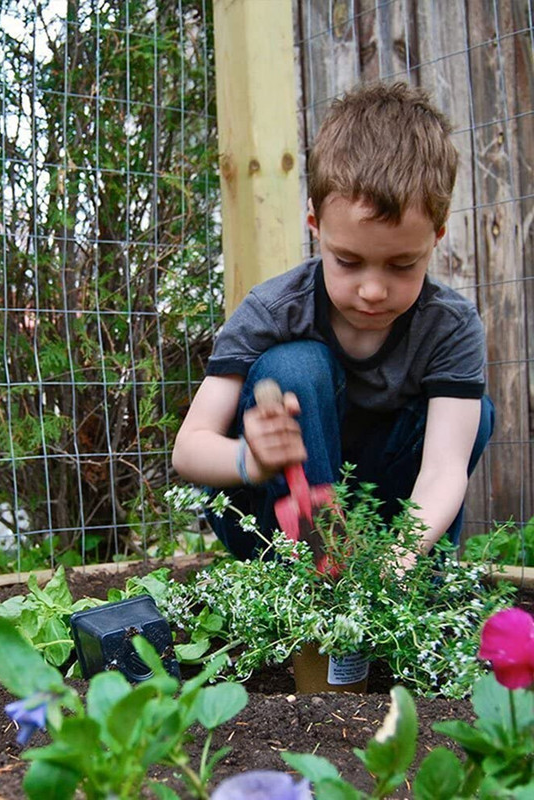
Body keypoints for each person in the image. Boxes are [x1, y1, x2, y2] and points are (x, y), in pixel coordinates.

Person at [171, 81, 493, 567]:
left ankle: (400, 585)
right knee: (294, 366)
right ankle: (318, 579)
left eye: (402, 264)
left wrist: (401, 555)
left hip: (382, 525)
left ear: (437, 237)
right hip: (269, 523)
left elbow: (444, 470)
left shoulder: (449, 327)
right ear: (315, 227)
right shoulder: (273, 310)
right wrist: (250, 460)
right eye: (347, 260)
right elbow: (189, 450)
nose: (372, 290)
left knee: (475, 414)